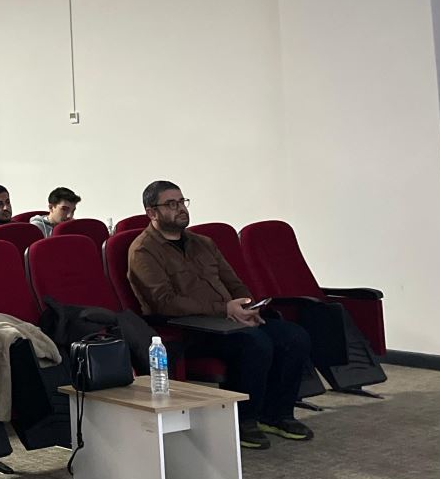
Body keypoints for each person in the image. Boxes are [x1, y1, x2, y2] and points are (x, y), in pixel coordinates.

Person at [126, 181, 314, 450]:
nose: (180, 208)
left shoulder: (203, 243)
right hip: (188, 329)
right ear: (151, 212)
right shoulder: (143, 251)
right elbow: (164, 303)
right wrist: (225, 309)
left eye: (182, 202)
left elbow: (234, 282)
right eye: (171, 204)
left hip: (227, 319)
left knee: (294, 336)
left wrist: (249, 307)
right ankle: (243, 420)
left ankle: (277, 415)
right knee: (255, 343)